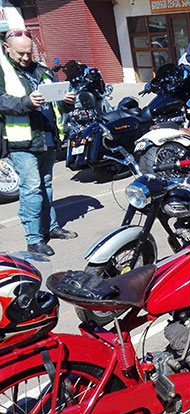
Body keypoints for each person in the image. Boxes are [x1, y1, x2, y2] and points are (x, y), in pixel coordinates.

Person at [0, 28, 77, 256]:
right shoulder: (2, 70)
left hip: (47, 137)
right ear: (7, 48)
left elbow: (57, 104)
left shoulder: (42, 70)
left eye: (28, 53)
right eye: (20, 54)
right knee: (32, 189)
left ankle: (50, 228)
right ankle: (34, 240)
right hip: (22, 141)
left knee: (47, 186)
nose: (25, 58)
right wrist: (26, 102)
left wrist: (67, 101)